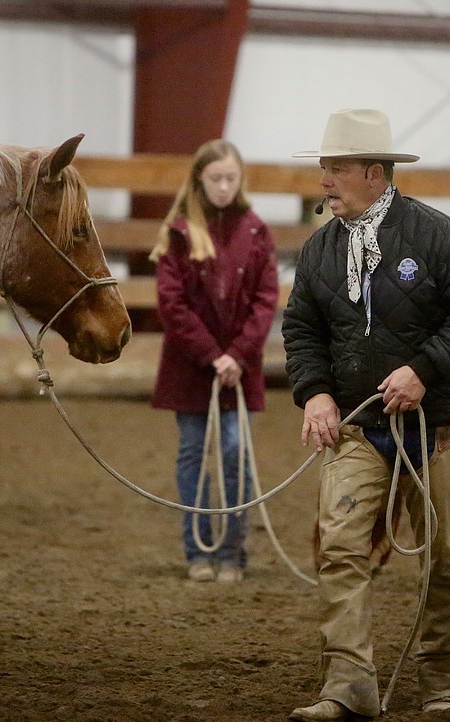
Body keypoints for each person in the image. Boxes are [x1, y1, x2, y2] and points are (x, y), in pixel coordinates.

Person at [282, 109, 450, 721]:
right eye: (323, 167)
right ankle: (347, 684)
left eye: (336, 168)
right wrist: (316, 394)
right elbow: (301, 329)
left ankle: (441, 681)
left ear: (374, 174)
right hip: (357, 428)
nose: (324, 179)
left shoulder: (438, 236)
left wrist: (423, 370)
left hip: (435, 429)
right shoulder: (320, 250)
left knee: (444, 559)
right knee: (340, 551)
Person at [150, 139, 280, 584]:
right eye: (215, 179)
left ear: (240, 180)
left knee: (234, 452)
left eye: (231, 178)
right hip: (193, 367)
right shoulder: (181, 232)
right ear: (200, 181)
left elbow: (265, 302)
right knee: (192, 454)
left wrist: (238, 356)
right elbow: (172, 304)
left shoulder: (258, 233)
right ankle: (198, 550)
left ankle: (231, 552)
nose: (224, 187)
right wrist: (214, 356)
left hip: (237, 371)